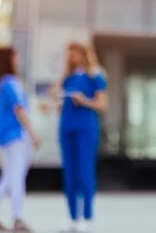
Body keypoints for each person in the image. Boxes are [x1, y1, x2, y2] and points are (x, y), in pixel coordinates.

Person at [51, 42, 108, 233]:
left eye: (74, 54)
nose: (70, 58)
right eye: (68, 55)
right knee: (70, 174)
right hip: (66, 129)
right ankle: (72, 217)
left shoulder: (96, 75)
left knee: (84, 173)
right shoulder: (68, 77)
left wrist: (84, 101)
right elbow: (53, 93)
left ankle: (87, 217)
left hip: (86, 129)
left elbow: (102, 105)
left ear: (84, 54)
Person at [0, 46, 41, 233]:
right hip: (16, 136)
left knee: (7, 178)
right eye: (15, 56)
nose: (17, 59)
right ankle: (18, 219)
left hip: (3, 137)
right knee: (16, 178)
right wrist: (33, 134)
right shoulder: (10, 83)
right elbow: (19, 109)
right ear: (9, 59)